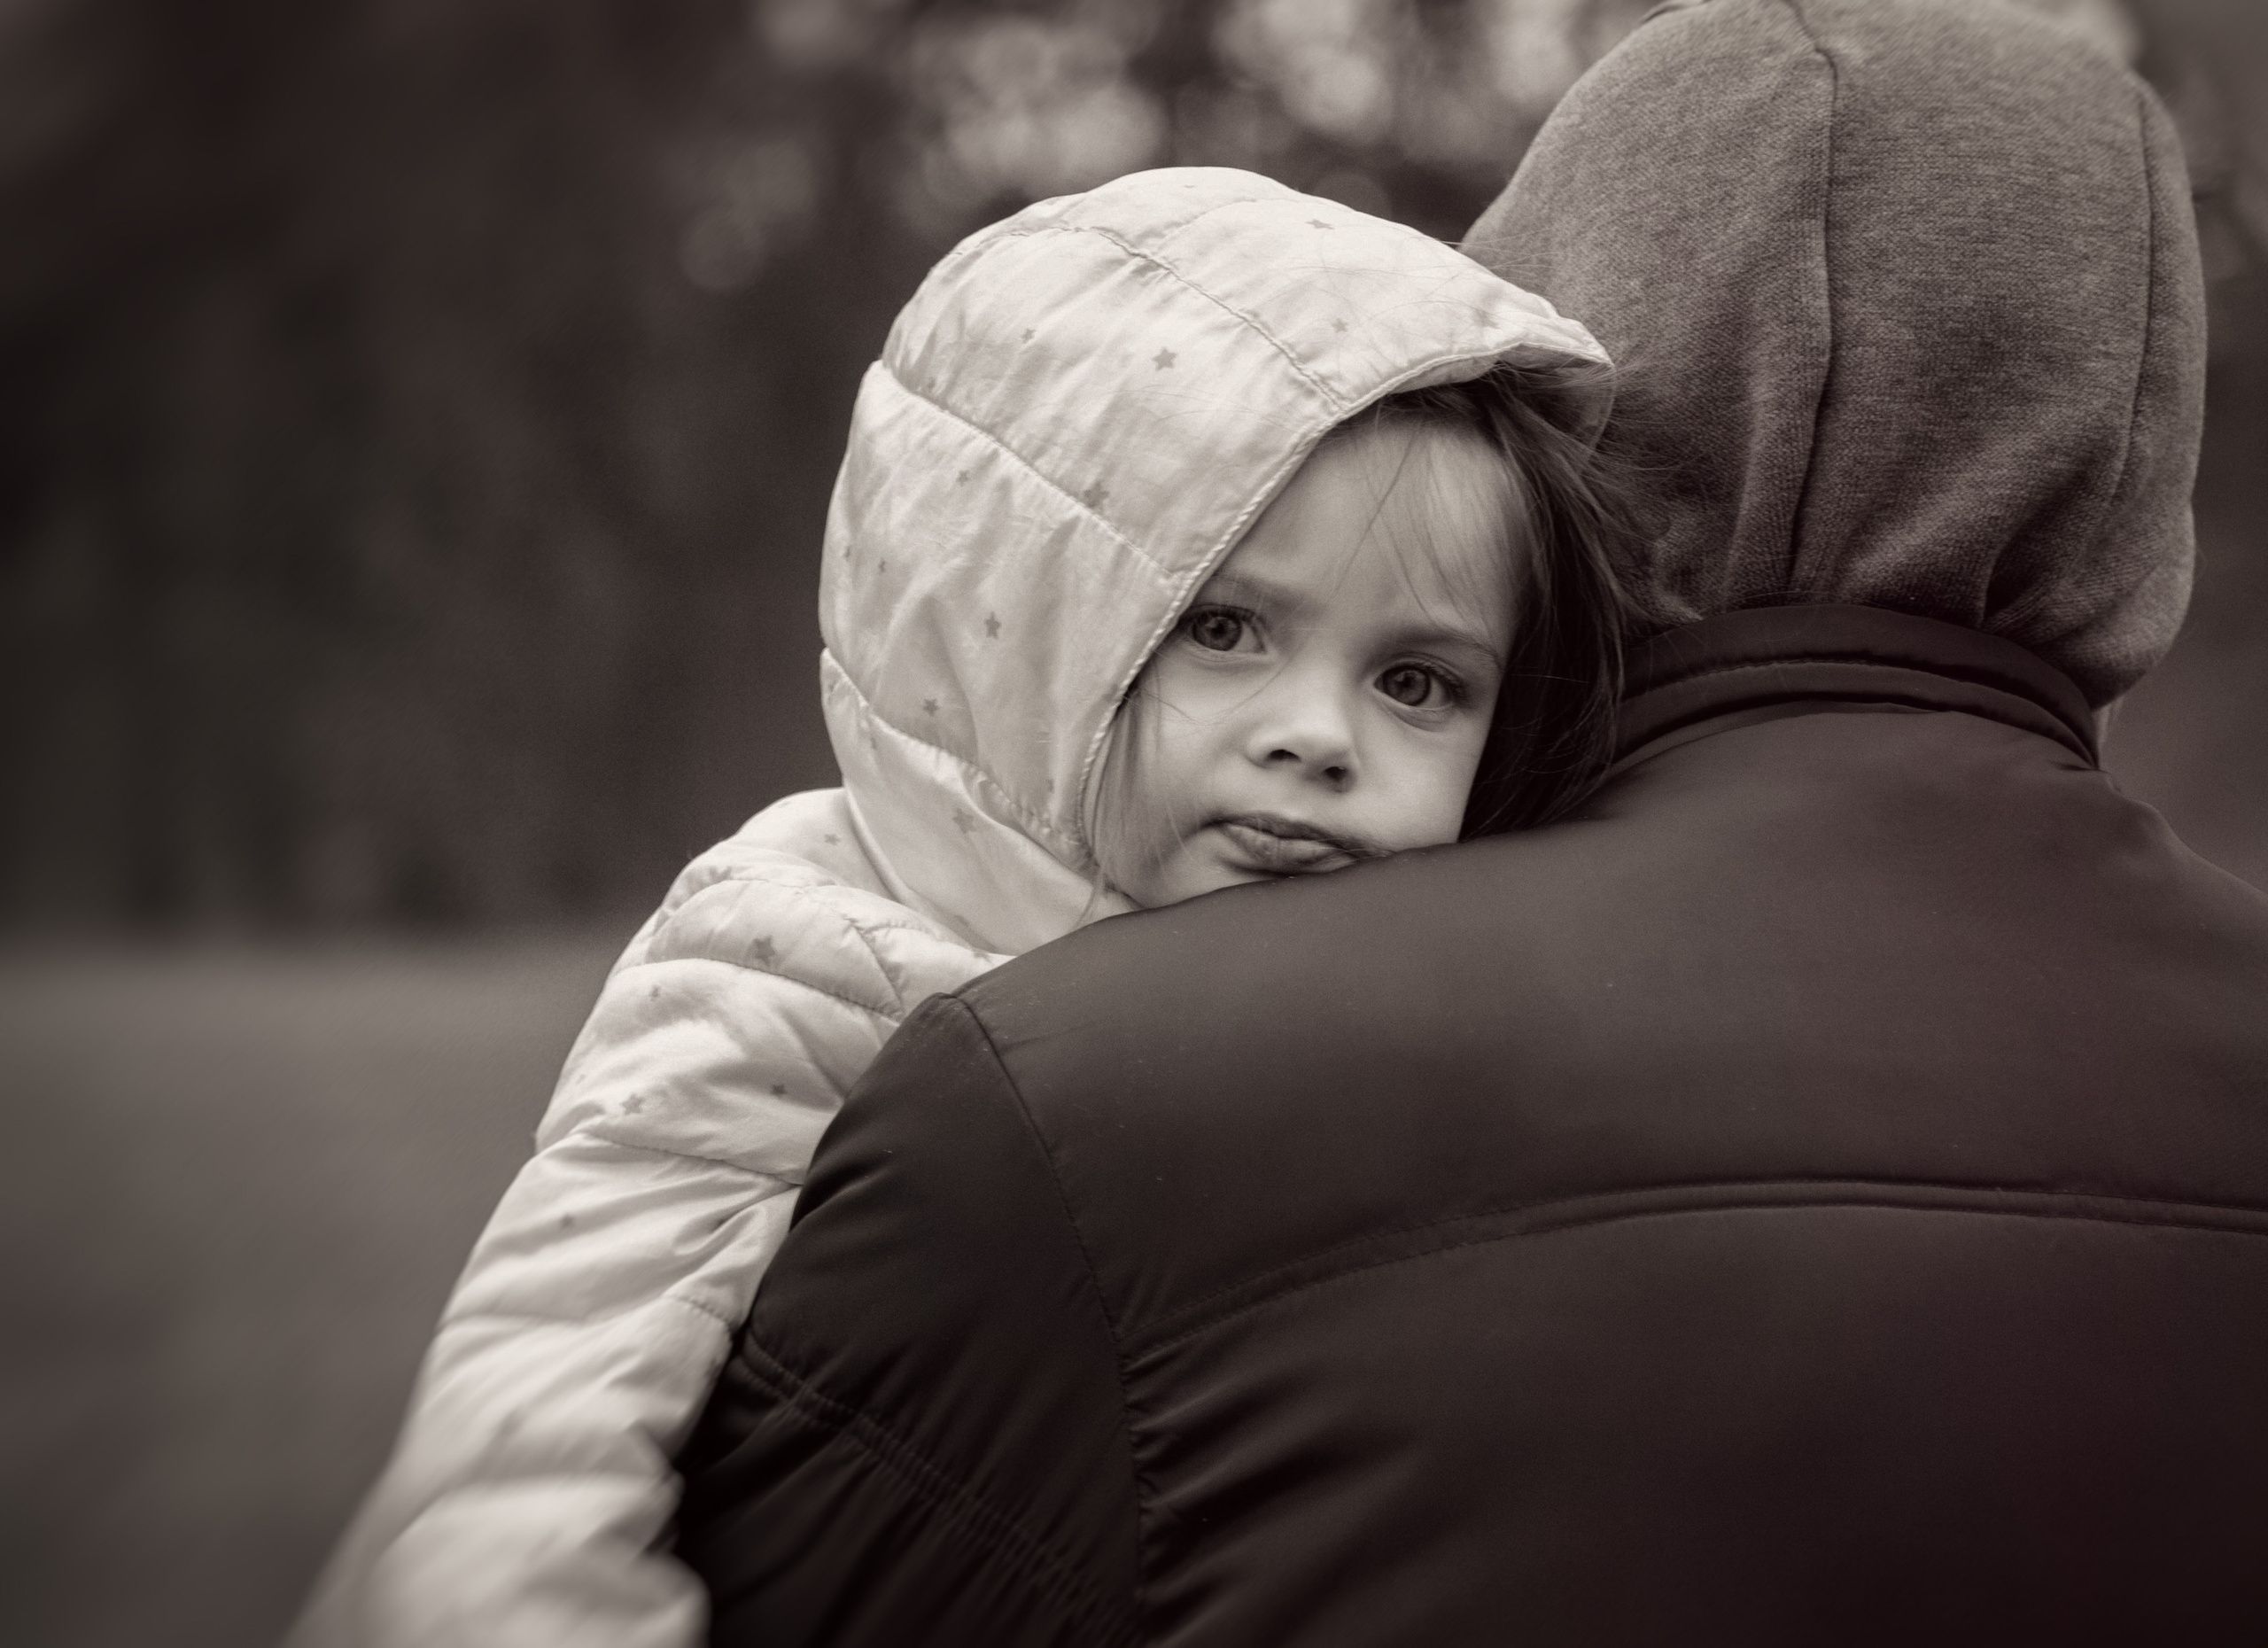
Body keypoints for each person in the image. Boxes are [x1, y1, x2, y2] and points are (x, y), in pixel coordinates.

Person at [672, 1, 2268, 1643]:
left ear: (1565, 409)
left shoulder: (1044, 1106)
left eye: (1415, 679)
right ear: (2136, 461)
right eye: (1225, 629)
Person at [287, 167, 1638, 1645]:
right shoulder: (802, 956)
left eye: (1416, 683)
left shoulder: (1409, 1005)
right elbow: (532, 1423)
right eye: (1225, 628)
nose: (1321, 735)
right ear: (1023, 625)